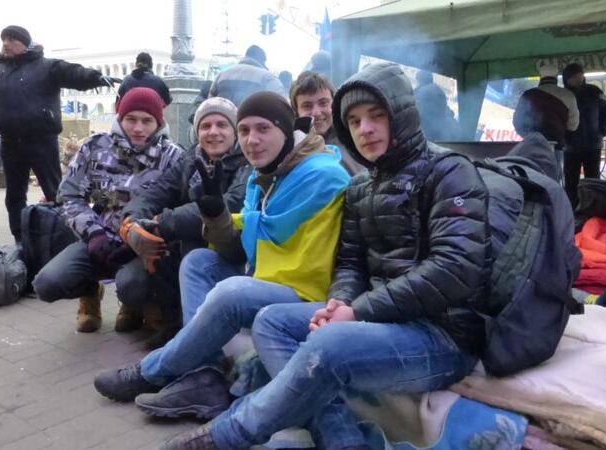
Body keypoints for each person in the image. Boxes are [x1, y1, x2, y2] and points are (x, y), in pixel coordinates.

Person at [160, 62, 491, 450]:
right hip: (384, 320)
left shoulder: (449, 171)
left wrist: (359, 311)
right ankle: (344, 439)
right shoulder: (363, 187)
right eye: (353, 120)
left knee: (329, 347)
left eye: (376, 116)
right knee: (271, 323)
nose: (364, 129)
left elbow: (454, 268)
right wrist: (340, 302)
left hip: (443, 336)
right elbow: (350, 262)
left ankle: (226, 434)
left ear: (401, 115)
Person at [92, 91, 351, 421]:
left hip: (309, 293)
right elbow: (239, 246)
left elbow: (267, 231)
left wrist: (193, 218)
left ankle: (151, 371)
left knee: (231, 294)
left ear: (286, 131)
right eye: (244, 131)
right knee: (198, 262)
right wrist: (214, 212)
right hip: (268, 278)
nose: (251, 140)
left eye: (262, 129)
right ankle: (204, 374)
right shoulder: (265, 174)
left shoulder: (320, 174)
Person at [32, 88, 184, 333]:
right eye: (131, 119)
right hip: (99, 238)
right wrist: (93, 233)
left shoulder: (173, 157)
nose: (138, 128)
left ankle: (135, 304)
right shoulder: (94, 147)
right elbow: (69, 195)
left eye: (147, 121)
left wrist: (141, 238)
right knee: (48, 283)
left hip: (143, 245)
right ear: (119, 117)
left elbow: (178, 206)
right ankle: (90, 291)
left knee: (133, 287)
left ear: (159, 122)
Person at [120, 97, 250, 348]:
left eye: (222, 125)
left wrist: (162, 222)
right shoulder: (191, 159)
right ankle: (173, 325)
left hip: (230, 244)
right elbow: (155, 192)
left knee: (186, 242)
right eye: (205, 126)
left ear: (235, 131)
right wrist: (132, 221)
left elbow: (232, 202)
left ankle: (200, 337)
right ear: (196, 131)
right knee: (155, 251)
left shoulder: (246, 161)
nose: (213, 132)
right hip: (186, 236)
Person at [0, 25, 110, 241]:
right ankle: (20, 238)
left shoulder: (46, 66)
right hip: (11, 142)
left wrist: (95, 77)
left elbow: (72, 73)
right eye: (4, 39)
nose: (6, 43)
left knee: (55, 192)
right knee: (14, 195)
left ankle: (65, 235)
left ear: (26, 43)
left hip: (41, 140)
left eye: (12, 39)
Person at [290, 71, 366, 176]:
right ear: (296, 112)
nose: (316, 113)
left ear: (334, 105)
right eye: (307, 106)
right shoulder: (289, 153)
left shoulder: (354, 139)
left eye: (323, 103)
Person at [513, 62, 579, 181]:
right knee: (553, 181)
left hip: (530, 146)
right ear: (556, 77)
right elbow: (573, 126)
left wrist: (529, 136)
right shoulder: (568, 95)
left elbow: (517, 123)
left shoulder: (528, 95)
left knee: (532, 180)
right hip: (556, 147)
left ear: (541, 77)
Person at [562, 63, 606, 209]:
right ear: (567, 79)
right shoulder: (564, 95)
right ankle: (572, 211)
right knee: (571, 182)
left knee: (593, 181)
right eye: (574, 77)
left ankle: (592, 210)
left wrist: (603, 129)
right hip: (571, 147)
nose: (579, 79)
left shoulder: (594, 91)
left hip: (593, 145)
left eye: (581, 75)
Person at [209, 45, 286, 107]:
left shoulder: (222, 75)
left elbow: (209, 104)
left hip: (224, 123)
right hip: (253, 125)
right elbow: (281, 105)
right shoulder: (267, 78)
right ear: (263, 60)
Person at [413, 70, 460, 142]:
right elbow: (445, 108)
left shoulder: (420, 93)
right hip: (441, 131)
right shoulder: (439, 91)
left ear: (419, 80)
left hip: (428, 132)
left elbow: (417, 113)